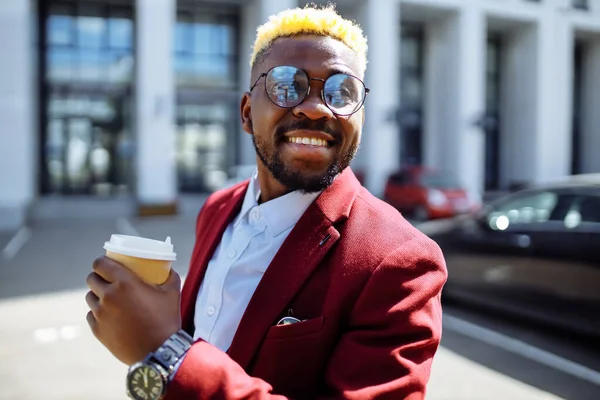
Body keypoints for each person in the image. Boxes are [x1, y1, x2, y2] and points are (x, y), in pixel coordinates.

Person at [85, 5, 448, 399]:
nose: (314, 107)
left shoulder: (400, 260)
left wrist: (168, 354)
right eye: (287, 85)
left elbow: (179, 357)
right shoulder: (217, 209)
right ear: (246, 112)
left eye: (341, 91)